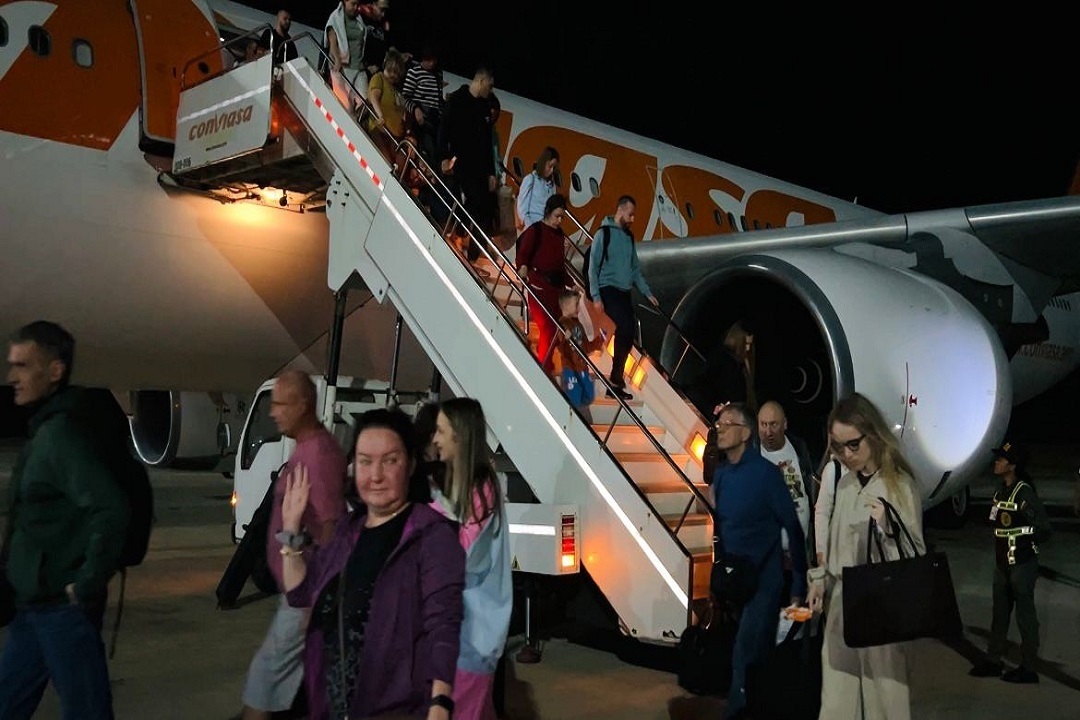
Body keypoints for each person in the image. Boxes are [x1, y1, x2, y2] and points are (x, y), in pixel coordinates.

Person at [279, 407, 463, 720]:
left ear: (411, 465)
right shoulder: (346, 531)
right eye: (365, 461)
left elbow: (444, 625)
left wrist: (440, 703)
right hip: (328, 704)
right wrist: (291, 532)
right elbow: (301, 593)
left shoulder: (431, 536)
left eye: (390, 461)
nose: (375, 475)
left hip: (396, 710)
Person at [0, 321, 130, 720]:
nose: (11, 377)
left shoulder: (60, 437)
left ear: (55, 371)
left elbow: (111, 509)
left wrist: (87, 581)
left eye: (22, 365)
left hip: (62, 609)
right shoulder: (44, 430)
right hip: (32, 608)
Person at [807, 392, 925, 720]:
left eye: (853, 444)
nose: (846, 454)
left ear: (872, 435)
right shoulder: (845, 485)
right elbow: (835, 546)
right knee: (837, 700)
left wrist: (889, 527)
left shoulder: (899, 486)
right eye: (838, 446)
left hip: (883, 605)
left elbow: (915, 555)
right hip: (842, 603)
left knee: (885, 699)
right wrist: (820, 580)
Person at [237, 371, 347, 720]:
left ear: (303, 405)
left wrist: (314, 602)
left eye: (281, 404)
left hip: (306, 594)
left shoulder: (318, 455)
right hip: (298, 591)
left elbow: (330, 528)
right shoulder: (307, 448)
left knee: (265, 677)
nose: (273, 412)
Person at [710, 402, 807, 719]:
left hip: (765, 582)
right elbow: (722, 528)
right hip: (736, 581)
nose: (720, 428)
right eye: (719, 423)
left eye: (728, 424)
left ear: (745, 433)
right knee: (758, 656)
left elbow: (792, 526)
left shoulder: (766, 475)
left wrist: (798, 584)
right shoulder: (722, 475)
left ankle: (738, 712)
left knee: (745, 651)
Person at [430, 398, 513, 720]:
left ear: (459, 435)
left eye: (441, 431)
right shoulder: (464, 486)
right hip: (465, 631)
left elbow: (463, 555)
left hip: (474, 634)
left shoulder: (481, 489)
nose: (435, 439)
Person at [968, 440, 1052, 683]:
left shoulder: (1024, 493)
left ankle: (1029, 667)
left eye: (1001, 459)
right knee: (1000, 614)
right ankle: (994, 660)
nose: (996, 462)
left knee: (1025, 617)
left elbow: (1044, 529)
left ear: (1013, 465)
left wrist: (1024, 543)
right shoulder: (1001, 491)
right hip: (1002, 564)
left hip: (1021, 565)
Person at [587, 195, 658, 400]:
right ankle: (615, 378)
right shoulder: (604, 233)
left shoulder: (628, 237)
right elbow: (593, 266)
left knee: (629, 331)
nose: (632, 219)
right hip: (608, 288)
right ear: (620, 210)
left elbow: (635, 269)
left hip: (624, 292)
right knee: (624, 327)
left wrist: (647, 292)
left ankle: (616, 380)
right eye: (630, 214)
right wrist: (596, 296)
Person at [438, 65, 498, 261]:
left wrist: (491, 172)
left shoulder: (484, 107)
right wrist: (443, 158)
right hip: (462, 164)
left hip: (480, 168)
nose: (490, 90)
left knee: (486, 209)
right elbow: (443, 132)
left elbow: (487, 143)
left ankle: (473, 254)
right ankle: (459, 232)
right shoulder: (457, 100)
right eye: (490, 86)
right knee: (471, 202)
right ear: (481, 81)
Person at [757, 400, 817, 586]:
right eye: (763, 425)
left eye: (773, 424)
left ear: (784, 424)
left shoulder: (799, 448)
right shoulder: (751, 453)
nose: (768, 431)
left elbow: (809, 489)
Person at [516, 193, 570, 369]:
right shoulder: (536, 230)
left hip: (555, 289)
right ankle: (544, 366)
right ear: (548, 212)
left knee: (556, 329)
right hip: (539, 286)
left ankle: (545, 362)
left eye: (562, 217)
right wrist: (523, 267)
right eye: (557, 216)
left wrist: (571, 283)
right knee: (548, 328)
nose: (559, 221)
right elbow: (523, 254)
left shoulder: (559, 235)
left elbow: (560, 264)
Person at [552, 289, 602, 422]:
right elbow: (561, 347)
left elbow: (585, 347)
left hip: (582, 369)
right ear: (566, 306)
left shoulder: (578, 324)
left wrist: (598, 342)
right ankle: (583, 424)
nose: (579, 308)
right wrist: (564, 339)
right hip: (570, 369)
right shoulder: (562, 323)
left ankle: (584, 424)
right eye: (576, 304)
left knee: (584, 401)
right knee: (578, 403)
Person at [401, 45, 445, 163]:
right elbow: (404, 97)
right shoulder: (414, 72)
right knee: (428, 150)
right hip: (421, 118)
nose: (432, 64)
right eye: (429, 60)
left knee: (438, 151)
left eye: (434, 60)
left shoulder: (438, 74)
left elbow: (438, 99)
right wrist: (415, 108)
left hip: (435, 119)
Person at [325, 0, 370, 112]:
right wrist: (337, 59)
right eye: (353, 4)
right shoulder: (336, 17)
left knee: (364, 102)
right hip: (343, 67)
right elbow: (332, 41)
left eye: (357, 4)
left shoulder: (359, 19)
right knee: (346, 105)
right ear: (345, 1)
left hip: (358, 66)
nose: (355, 7)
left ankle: (358, 119)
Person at [365, 47, 408, 164]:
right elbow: (374, 97)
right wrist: (380, 116)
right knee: (386, 163)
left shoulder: (395, 89)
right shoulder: (379, 78)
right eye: (392, 71)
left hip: (395, 135)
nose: (394, 75)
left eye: (397, 73)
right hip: (381, 130)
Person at [812, 453, 846, 567]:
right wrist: (821, 549)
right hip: (840, 553)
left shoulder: (880, 469)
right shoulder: (834, 469)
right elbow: (822, 512)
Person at [516, 146, 560, 231]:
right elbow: (522, 207)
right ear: (543, 163)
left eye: (554, 168)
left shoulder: (552, 186)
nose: (551, 170)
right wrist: (531, 226)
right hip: (533, 227)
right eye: (550, 166)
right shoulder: (530, 179)